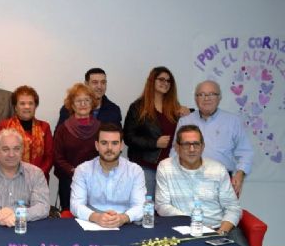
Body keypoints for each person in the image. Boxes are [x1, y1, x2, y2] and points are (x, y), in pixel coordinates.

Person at [156, 124, 254, 246]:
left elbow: (233, 207)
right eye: (186, 144)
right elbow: (162, 205)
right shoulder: (165, 167)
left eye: (196, 144)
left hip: (219, 226)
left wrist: (221, 231)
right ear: (177, 147)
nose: (192, 149)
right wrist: (195, 224)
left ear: (203, 146)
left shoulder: (218, 169)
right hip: (182, 228)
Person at [173, 80, 253, 197]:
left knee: (224, 209)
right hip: (188, 181)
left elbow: (246, 152)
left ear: (219, 97)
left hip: (222, 181)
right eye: (201, 94)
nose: (206, 98)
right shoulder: (185, 121)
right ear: (196, 98)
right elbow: (175, 151)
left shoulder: (233, 121)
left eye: (211, 94)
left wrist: (240, 174)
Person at [124, 66, 189, 196]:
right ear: (152, 81)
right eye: (161, 79)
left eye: (168, 81)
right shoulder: (138, 107)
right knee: (147, 205)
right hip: (146, 166)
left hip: (171, 168)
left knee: (167, 205)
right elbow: (128, 137)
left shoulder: (175, 108)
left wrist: (188, 112)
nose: (165, 83)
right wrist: (154, 143)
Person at [0, 128, 50, 226]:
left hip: (25, 228)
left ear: (22, 150)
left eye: (16, 149)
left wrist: (16, 214)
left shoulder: (36, 174)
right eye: (5, 149)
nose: (11, 154)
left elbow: (42, 207)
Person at [70, 123, 146, 228]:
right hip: (92, 224)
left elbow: (141, 205)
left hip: (126, 225)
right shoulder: (83, 170)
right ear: (97, 145)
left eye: (114, 143)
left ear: (121, 146)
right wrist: (97, 217)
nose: (109, 148)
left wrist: (123, 218)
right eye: (104, 143)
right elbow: (76, 205)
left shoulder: (135, 171)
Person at [0, 85, 54, 182]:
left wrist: (37, 175)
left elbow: (49, 157)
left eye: (30, 103)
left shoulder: (44, 127)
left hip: (38, 180)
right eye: (22, 103)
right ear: (15, 107)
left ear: (35, 106)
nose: (27, 107)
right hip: (8, 180)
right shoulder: (4, 126)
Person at [53, 83, 100, 211]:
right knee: (69, 218)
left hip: (95, 182)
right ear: (72, 105)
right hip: (69, 181)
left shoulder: (101, 128)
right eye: (78, 101)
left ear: (92, 103)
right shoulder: (63, 129)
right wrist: (73, 171)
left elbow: (104, 154)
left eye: (87, 100)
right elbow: (57, 156)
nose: (83, 104)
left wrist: (91, 173)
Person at [56, 67, 122, 128]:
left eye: (103, 82)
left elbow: (118, 135)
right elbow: (59, 135)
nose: (99, 86)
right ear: (86, 84)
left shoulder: (114, 110)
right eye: (95, 82)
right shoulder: (69, 108)